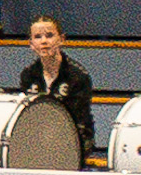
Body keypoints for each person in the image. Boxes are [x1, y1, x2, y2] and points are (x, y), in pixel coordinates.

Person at [19, 15, 95, 164]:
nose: (44, 41)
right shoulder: (28, 75)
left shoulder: (78, 76)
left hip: (72, 140)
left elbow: (78, 123)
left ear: (61, 39)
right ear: (31, 44)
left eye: (49, 35)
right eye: (38, 37)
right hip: (38, 140)